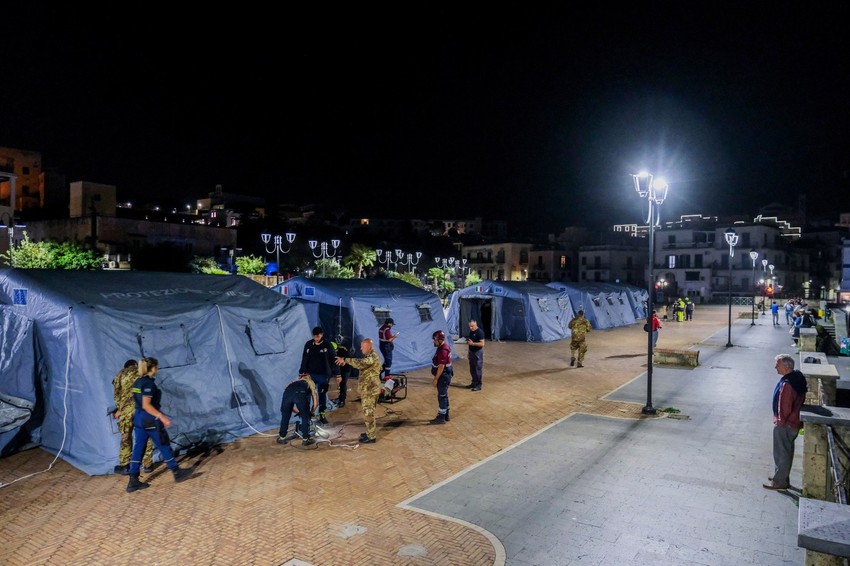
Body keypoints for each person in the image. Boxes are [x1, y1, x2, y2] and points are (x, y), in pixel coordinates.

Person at [126, 357, 193, 493]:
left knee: (139, 448)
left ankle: (133, 481)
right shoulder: (148, 384)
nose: (158, 369)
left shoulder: (137, 382)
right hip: (149, 419)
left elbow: (138, 402)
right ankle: (177, 472)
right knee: (163, 444)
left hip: (138, 418)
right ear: (153, 368)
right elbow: (146, 405)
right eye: (157, 367)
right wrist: (162, 417)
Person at [764, 354, 807, 490]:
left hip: (786, 424)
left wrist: (780, 422)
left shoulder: (788, 385)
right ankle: (781, 476)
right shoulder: (796, 378)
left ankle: (780, 482)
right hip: (793, 422)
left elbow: (784, 406)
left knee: (782, 452)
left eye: (778, 364)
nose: (775, 367)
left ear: (787, 366)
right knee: (786, 450)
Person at [336, 338, 382, 443]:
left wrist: (346, 360)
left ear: (370, 347)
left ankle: (371, 436)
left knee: (368, 413)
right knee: (368, 412)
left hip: (370, 390)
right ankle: (370, 432)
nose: (361, 349)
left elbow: (361, 363)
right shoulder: (370, 355)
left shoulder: (372, 356)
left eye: (363, 347)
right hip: (369, 389)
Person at [112, 359, 154, 475]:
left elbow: (117, 395)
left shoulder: (119, 374)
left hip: (126, 411)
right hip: (141, 409)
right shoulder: (141, 373)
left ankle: (125, 465)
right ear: (135, 365)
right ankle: (147, 464)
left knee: (126, 437)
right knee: (147, 435)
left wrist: (120, 408)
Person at [299, 326, 340, 424]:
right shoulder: (308, 345)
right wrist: (301, 372)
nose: (316, 338)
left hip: (323, 375)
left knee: (322, 395)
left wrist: (338, 374)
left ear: (321, 335)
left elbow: (334, 360)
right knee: (307, 394)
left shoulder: (327, 345)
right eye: (314, 336)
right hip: (310, 375)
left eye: (318, 336)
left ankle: (322, 414)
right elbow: (304, 359)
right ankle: (307, 414)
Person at [277, 373, 319, 446]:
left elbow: (290, 404)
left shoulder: (293, 383)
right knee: (305, 418)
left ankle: (281, 438)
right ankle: (306, 440)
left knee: (285, 417)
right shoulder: (310, 384)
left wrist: (298, 411)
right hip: (300, 395)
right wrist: (311, 412)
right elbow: (315, 403)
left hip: (287, 395)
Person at [429, 330, 453, 424]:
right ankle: (446, 414)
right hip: (444, 375)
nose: (433, 342)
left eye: (434, 340)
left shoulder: (443, 350)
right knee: (444, 394)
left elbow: (442, 366)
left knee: (442, 396)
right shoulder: (441, 347)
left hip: (443, 376)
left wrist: (436, 379)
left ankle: (441, 417)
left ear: (439, 340)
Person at [465, 319, 485, 391]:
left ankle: (478, 385)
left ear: (475, 323)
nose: (471, 328)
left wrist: (473, 344)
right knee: (472, 369)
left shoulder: (480, 332)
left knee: (477, 369)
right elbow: (470, 342)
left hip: (477, 353)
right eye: (470, 326)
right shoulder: (471, 332)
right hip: (472, 352)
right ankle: (473, 383)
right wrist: (469, 352)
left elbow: (482, 344)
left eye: (472, 326)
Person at [331, 341, 350, 407]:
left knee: (343, 383)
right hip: (339, 368)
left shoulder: (342, 351)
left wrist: (342, 360)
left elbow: (346, 361)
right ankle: (340, 398)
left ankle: (342, 400)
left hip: (345, 369)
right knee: (341, 383)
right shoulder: (329, 351)